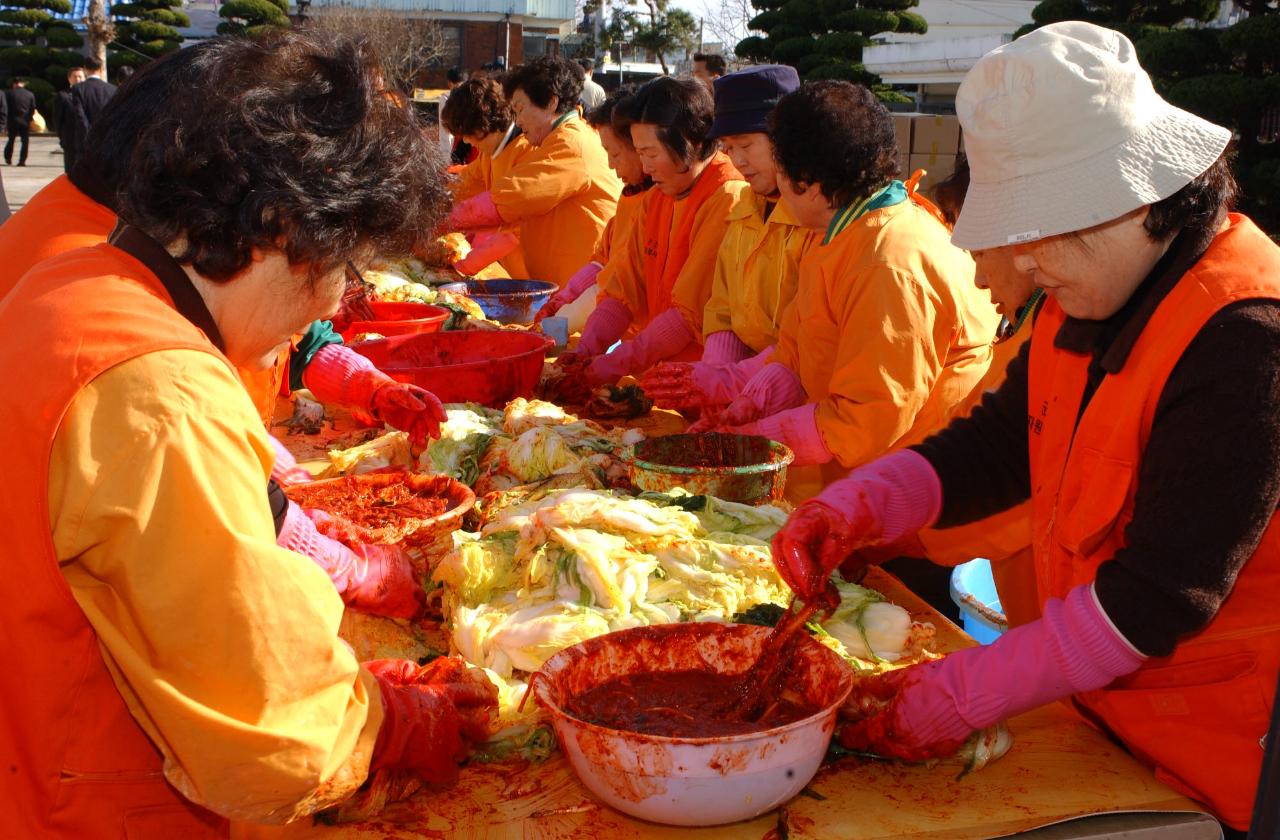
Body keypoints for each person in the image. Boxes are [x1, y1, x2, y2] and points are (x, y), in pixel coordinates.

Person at [771, 23, 1280, 832]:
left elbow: (1159, 596)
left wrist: (963, 693)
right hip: (1099, 724)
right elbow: (999, 445)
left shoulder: (1246, 334)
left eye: (1040, 230)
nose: (1022, 260)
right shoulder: (1094, 294)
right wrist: (865, 501)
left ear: (1139, 199)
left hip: (1218, 763)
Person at [0, 31, 498, 835]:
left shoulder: (77, 282)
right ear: (284, 226)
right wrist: (388, 720)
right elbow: (270, 731)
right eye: (346, 266)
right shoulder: (161, 387)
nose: (333, 306)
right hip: (83, 804)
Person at [0, 44, 451, 622]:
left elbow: (286, 339)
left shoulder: (128, 258)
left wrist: (360, 386)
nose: (336, 296)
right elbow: (244, 658)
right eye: (344, 262)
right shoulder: (113, 304)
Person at [693, 81, 998, 502]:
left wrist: (751, 442)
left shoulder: (890, 260)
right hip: (859, 483)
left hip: (912, 505)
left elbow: (864, 420)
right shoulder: (840, 234)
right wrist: (750, 404)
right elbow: (798, 353)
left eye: (780, 171)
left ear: (810, 183)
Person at [640, 65, 816, 408]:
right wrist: (713, 377)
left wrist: (728, 383)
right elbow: (722, 309)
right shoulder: (746, 207)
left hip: (801, 405)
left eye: (746, 145)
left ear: (787, 140)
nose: (737, 160)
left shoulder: (815, 221)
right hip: (749, 396)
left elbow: (805, 343)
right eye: (730, 147)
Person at [564, 76, 747, 385]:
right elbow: (623, 289)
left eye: (651, 154)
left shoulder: (727, 198)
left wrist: (614, 363)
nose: (645, 167)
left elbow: (687, 316)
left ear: (693, 142)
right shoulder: (657, 198)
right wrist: (585, 351)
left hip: (700, 379)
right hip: (656, 374)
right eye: (640, 154)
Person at [446, 56, 621, 287]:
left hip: (583, 289)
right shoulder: (554, 140)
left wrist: (444, 224)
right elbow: (466, 185)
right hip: (565, 287)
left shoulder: (571, 143)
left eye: (519, 109)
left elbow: (512, 197)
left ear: (550, 102)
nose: (517, 120)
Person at [536, 83, 652, 332]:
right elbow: (603, 260)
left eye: (615, 153)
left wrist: (563, 323)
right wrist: (566, 296)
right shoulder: (630, 194)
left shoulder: (657, 202)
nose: (610, 165)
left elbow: (615, 281)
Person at [440, 76, 535, 278]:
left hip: (537, 275)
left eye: (467, 134)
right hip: (515, 272)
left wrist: (466, 267)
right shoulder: (491, 153)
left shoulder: (527, 151)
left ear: (482, 127)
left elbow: (515, 232)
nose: (465, 140)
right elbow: (465, 182)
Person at [70, 55, 117, 159]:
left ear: (85, 69)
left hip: (85, 141)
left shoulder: (78, 89)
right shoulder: (112, 89)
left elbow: (80, 116)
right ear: (101, 69)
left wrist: (88, 136)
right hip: (106, 139)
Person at [54, 66, 85, 173]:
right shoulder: (63, 96)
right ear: (69, 79)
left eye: (80, 77)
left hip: (86, 140)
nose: (78, 79)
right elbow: (58, 119)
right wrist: (61, 136)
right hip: (70, 140)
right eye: (75, 77)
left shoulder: (87, 94)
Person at [4, 79, 37, 166]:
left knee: (11, 139)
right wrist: (29, 118)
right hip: (24, 121)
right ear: (23, 84)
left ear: (14, 84)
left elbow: (4, 107)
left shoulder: (8, 93)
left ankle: (8, 158)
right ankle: (22, 160)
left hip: (12, 120)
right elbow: (33, 108)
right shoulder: (30, 94)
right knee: (25, 141)